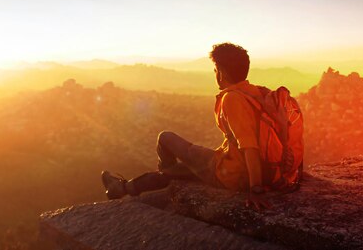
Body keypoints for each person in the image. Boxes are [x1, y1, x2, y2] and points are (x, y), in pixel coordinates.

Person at [101, 42, 272, 211]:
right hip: (248, 168)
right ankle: (123, 188)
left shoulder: (232, 99)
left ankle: (161, 177)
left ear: (221, 72)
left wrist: (255, 189)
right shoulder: (256, 93)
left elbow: (250, 146)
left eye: (215, 70)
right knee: (181, 170)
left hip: (231, 174)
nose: (215, 74)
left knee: (165, 138)